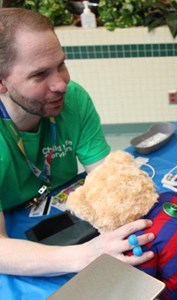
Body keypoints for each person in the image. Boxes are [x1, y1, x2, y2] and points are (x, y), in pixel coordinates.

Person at [0, 8, 154, 276]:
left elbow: (108, 178)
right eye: (40, 75)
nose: (61, 84)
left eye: (61, 64)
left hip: (61, 218)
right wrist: (88, 254)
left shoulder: (74, 99)